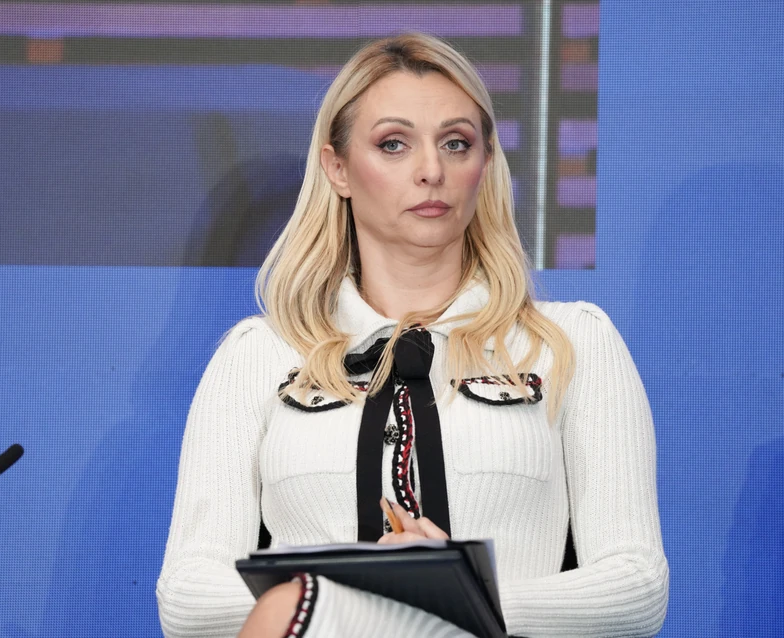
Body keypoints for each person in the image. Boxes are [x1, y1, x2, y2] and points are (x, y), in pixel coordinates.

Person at [156, 33, 668, 637]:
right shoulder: (259, 355)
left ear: (485, 163)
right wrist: (370, 594)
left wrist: (455, 594)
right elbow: (188, 597)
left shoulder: (571, 342)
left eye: (456, 143)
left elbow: (637, 587)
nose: (431, 171)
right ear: (338, 168)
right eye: (394, 144)